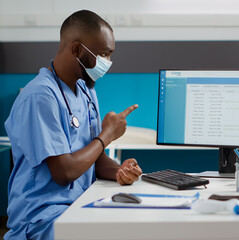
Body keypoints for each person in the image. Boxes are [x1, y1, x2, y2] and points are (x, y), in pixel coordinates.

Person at [4, 10, 143, 240]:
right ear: (77, 49)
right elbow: (64, 172)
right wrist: (107, 134)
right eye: (102, 54)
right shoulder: (40, 97)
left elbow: (95, 160)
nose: (107, 63)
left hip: (78, 207)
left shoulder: (86, 91)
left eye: (110, 55)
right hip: (41, 221)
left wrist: (119, 170)